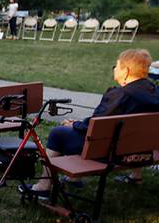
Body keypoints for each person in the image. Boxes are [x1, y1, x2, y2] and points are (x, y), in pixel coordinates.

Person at [27, 49, 159, 195]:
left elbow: (94, 125)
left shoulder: (119, 95)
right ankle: (136, 177)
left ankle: (44, 186)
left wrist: (74, 124)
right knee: (131, 132)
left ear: (126, 71)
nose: (114, 69)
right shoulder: (155, 92)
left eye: (116, 66)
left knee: (59, 133)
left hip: (112, 154)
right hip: (142, 152)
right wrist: (79, 124)